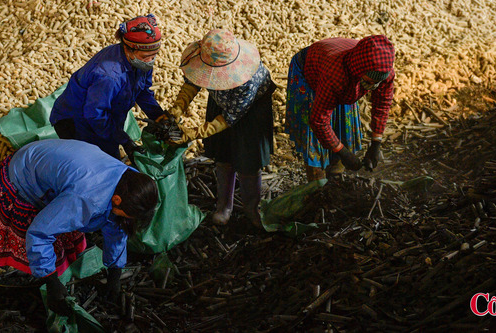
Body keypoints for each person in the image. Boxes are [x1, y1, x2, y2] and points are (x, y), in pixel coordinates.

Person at [0, 139, 159, 317]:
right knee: (46, 231)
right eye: (126, 214)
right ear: (117, 200)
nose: (125, 219)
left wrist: (115, 273)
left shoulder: (130, 181)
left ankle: (51, 268)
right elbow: (39, 232)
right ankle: (37, 277)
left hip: (50, 162)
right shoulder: (86, 199)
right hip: (24, 174)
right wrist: (51, 281)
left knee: (74, 219)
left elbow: (117, 226)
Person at [167, 28, 274, 228]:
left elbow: (228, 118)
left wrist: (193, 134)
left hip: (250, 114)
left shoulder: (247, 80)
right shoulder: (203, 55)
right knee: (223, 156)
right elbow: (193, 82)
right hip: (221, 103)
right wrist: (178, 106)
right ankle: (224, 206)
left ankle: (252, 208)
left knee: (247, 162)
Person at [50, 14, 165, 160]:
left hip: (102, 116)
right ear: (129, 49)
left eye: (153, 55)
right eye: (145, 57)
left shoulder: (140, 62)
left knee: (110, 153)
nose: (149, 61)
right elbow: (95, 115)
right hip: (78, 121)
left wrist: (158, 116)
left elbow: (143, 92)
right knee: (98, 163)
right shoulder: (110, 76)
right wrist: (124, 140)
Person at [284, 35, 395, 181]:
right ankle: (317, 181)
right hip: (309, 69)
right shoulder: (336, 74)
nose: (373, 86)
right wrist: (343, 153)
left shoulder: (383, 71)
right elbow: (318, 121)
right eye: (369, 81)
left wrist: (376, 143)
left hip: (339, 68)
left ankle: (336, 174)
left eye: (377, 83)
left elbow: (382, 103)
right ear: (359, 72)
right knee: (314, 136)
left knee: (344, 125)